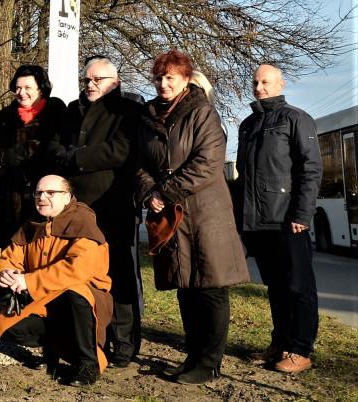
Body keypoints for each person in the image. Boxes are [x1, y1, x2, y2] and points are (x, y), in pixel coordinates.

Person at [134, 50, 249, 384]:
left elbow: (206, 163)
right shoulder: (148, 117)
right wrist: (148, 191)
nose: (164, 84)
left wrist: (163, 192)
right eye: (159, 77)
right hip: (172, 219)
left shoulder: (203, 113)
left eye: (171, 77)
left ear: (186, 79)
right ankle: (194, 356)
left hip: (205, 214)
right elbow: (139, 163)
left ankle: (210, 362)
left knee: (210, 288)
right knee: (185, 286)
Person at [235, 64, 322, 373]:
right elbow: (244, 176)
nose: (260, 87)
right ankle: (281, 344)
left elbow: (310, 170)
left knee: (299, 287)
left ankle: (301, 350)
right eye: (256, 81)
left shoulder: (296, 119)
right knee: (276, 287)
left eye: (266, 82)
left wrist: (302, 214)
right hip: (259, 224)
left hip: (288, 221)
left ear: (280, 84)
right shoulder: (247, 125)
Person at [58, 57, 142, 368]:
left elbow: (121, 150)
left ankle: (124, 344)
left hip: (113, 205)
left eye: (98, 79)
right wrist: (65, 156)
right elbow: (55, 147)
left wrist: (76, 156)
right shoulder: (72, 110)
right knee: (79, 273)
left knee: (118, 276)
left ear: (115, 82)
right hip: (76, 208)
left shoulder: (129, 111)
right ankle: (90, 339)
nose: (90, 84)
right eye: (87, 80)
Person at [0, 175, 113, 387]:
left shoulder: (82, 222)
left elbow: (78, 270)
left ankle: (88, 365)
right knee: (7, 327)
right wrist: (6, 274)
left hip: (85, 299)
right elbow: (7, 260)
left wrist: (28, 281)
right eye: (39, 193)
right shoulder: (31, 225)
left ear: (67, 197)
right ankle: (52, 352)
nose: (42, 197)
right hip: (44, 297)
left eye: (51, 193)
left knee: (74, 292)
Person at [0, 65, 66, 249]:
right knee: (10, 266)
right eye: (18, 88)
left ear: (40, 89)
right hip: (9, 204)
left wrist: (31, 151)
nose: (21, 93)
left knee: (42, 262)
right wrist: (2, 157)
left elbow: (61, 150)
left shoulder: (57, 113)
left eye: (27, 88)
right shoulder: (5, 116)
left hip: (45, 201)